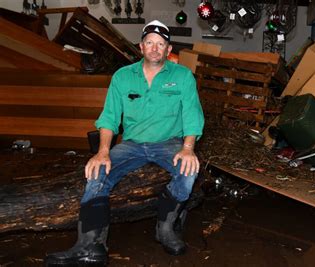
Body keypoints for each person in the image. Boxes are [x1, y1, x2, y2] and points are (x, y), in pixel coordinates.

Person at [44, 20, 205, 266]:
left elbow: (192, 114)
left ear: (168, 49)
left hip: (168, 142)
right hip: (132, 144)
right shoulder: (122, 76)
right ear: (141, 47)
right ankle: (90, 246)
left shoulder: (183, 76)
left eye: (160, 44)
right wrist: (103, 152)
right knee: (97, 171)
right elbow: (109, 117)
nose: (154, 48)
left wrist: (188, 148)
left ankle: (166, 228)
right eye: (149, 42)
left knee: (188, 171)